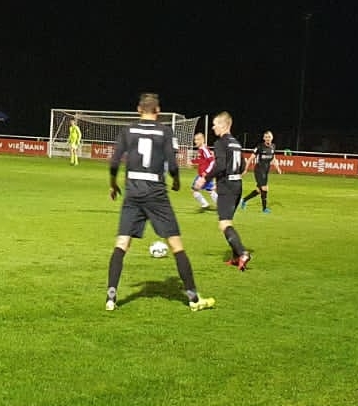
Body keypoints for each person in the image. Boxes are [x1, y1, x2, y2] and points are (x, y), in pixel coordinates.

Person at [105, 92, 214, 313]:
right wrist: (176, 181)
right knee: (176, 245)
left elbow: (115, 161)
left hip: (133, 191)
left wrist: (113, 184)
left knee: (122, 243)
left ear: (138, 110)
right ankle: (193, 299)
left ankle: (110, 297)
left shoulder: (128, 130)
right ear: (158, 111)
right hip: (156, 192)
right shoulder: (164, 131)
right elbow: (172, 164)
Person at [208, 112, 252, 270]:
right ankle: (235, 258)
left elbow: (220, 165)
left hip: (227, 186)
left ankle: (242, 253)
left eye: (215, 124)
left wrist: (205, 178)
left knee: (224, 224)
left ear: (224, 125)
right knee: (228, 221)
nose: (213, 128)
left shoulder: (221, 143)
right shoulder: (236, 143)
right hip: (237, 185)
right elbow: (242, 166)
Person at [240, 130, 281, 213]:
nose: (268, 138)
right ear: (263, 138)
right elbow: (250, 159)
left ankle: (244, 200)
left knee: (259, 190)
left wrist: (278, 168)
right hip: (259, 170)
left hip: (266, 171)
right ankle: (264, 209)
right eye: (266, 137)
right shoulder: (260, 147)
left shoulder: (273, 146)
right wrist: (245, 169)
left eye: (269, 137)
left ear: (272, 138)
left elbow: (273, 158)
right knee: (265, 188)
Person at [189, 132, 217, 209]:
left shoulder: (204, 149)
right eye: (195, 140)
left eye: (197, 140)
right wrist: (192, 162)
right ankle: (218, 205)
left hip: (204, 175)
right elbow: (200, 161)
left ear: (202, 140)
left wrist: (206, 172)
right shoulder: (201, 150)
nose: (195, 141)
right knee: (210, 190)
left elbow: (212, 161)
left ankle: (206, 204)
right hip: (202, 174)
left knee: (194, 190)